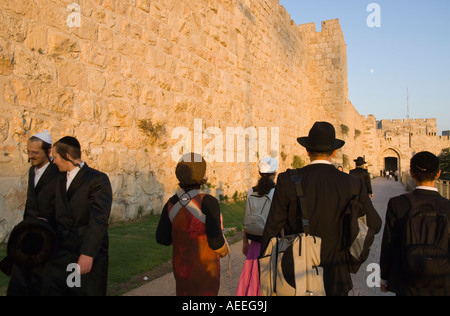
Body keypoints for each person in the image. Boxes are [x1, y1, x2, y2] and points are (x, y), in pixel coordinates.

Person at [261, 121, 382, 296]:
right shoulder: (353, 184)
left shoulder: (287, 180)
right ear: (334, 152)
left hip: (295, 272)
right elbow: (375, 224)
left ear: (307, 151)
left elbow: (272, 227)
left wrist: (265, 267)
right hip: (337, 272)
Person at [42, 136, 112, 296]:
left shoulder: (97, 180)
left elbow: (99, 219)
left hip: (88, 252)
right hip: (63, 251)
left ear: (66, 156)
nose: (53, 161)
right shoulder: (58, 179)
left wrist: (88, 253)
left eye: (56, 157)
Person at [156, 153, 229, 296]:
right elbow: (215, 242)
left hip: (182, 270)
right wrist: (225, 250)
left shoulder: (171, 203)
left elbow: (162, 238)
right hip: (206, 271)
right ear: (202, 175)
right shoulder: (208, 202)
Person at [380, 151, 450, 296]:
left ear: (411, 173)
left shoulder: (397, 204)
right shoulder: (447, 206)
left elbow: (389, 243)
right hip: (442, 281)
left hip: (406, 279)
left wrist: (385, 277)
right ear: (438, 174)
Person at [2, 130, 61, 296]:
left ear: (48, 152)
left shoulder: (58, 173)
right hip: (28, 235)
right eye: (28, 151)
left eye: (35, 153)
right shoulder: (31, 171)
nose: (30, 156)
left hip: (47, 238)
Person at [236, 157, 278, 296]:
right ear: (275, 173)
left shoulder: (251, 191)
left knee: (252, 277)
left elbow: (247, 217)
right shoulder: (276, 192)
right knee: (268, 280)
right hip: (271, 243)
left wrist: (244, 242)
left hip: (254, 241)